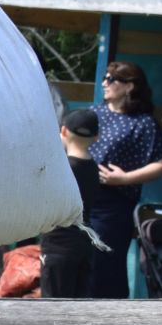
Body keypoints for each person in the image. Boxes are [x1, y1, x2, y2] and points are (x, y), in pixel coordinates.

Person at [89, 60, 162, 297]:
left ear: (129, 87)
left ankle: (109, 318)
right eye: (105, 78)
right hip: (84, 199)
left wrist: (125, 179)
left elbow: (161, 163)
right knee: (82, 261)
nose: (105, 83)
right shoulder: (95, 113)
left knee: (106, 264)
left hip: (113, 206)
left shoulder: (143, 123)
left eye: (111, 79)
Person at [37, 106, 103, 299]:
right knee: (78, 302)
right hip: (83, 245)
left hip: (57, 245)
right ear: (96, 137)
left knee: (53, 307)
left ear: (63, 131)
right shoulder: (93, 168)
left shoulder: (62, 169)